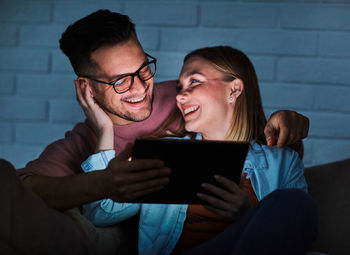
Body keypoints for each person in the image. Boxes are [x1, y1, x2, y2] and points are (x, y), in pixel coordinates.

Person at [3, 9, 309, 254]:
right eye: (120, 81)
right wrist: (104, 160)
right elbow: (20, 193)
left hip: (243, 230)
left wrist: (281, 120)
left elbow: (248, 137)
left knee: (293, 206)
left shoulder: (180, 98)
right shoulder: (80, 145)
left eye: (144, 69)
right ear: (87, 87)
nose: (140, 88)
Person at [80, 46, 317, 255]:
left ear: (234, 90)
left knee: (295, 203)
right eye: (180, 87)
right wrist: (104, 127)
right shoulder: (165, 155)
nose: (181, 96)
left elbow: (296, 232)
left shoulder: (283, 162)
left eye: (194, 81)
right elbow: (100, 213)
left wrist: (247, 214)